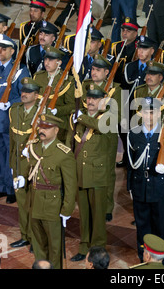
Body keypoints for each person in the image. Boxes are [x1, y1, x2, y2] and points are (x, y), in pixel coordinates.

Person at [126, 96, 164, 262]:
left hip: (159, 187)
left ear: (158, 114)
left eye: (153, 112)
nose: (149, 116)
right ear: (140, 113)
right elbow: (130, 163)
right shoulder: (133, 134)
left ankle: (160, 258)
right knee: (142, 225)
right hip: (140, 186)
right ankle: (144, 257)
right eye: (146, 112)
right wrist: (130, 187)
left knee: (160, 225)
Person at [0, 34, 30, 204]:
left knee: (12, 157)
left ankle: (13, 189)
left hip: (11, 119)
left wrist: (10, 102)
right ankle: (2, 187)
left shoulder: (20, 69)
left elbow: (25, 95)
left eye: (3, 49)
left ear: (12, 51)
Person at [26, 113, 77, 269]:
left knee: (55, 247)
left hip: (53, 206)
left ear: (56, 130)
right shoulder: (34, 146)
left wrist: (67, 210)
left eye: (46, 128)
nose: (42, 130)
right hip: (35, 202)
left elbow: (70, 185)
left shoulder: (63, 153)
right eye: (40, 127)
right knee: (38, 243)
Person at [68, 83, 112, 262]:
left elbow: (100, 127)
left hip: (98, 175)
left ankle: (98, 249)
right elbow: (70, 143)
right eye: (89, 97)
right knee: (84, 214)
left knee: (98, 215)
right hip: (80, 173)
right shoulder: (78, 117)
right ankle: (84, 246)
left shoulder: (109, 117)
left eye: (95, 98)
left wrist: (82, 117)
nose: (91, 100)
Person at [79, 55, 121, 223]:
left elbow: (115, 116)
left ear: (106, 72)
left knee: (107, 173)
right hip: (85, 133)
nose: (94, 72)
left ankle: (107, 207)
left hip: (106, 136)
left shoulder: (115, 89)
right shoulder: (85, 85)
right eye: (93, 69)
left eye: (98, 70)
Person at [8, 77, 42, 249]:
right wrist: (12, 165)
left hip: (35, 165)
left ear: (36, 95)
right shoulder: (14, 110)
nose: (24, 94)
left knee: (36, 203)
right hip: (19, 164)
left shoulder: (42, 113)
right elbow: (12, 140)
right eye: (23, 91)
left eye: (29, 93)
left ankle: (37, 238)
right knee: (22, 202)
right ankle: (25, 235)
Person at [33, 46, 75, 142]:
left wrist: (57, 110)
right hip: (38, 122)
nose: (47, 63)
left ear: (59, 62)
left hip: (57, 124)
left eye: (51, 60)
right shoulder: (38, 77)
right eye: (46, 59)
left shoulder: (68, 81)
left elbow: (72, 105)